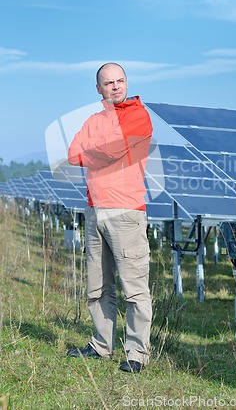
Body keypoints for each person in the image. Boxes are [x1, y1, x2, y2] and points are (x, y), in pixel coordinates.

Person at [66, 62, 153, 373]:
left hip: (126, 210)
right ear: (98, 89)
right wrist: (97, 151)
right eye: (108, 83)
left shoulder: (138, 115)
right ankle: (101, 345)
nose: (115, 86)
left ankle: (136, 354)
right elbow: (74, 153)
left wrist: (96, 152)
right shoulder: (93, 120)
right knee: (98, 286)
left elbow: (113, 150)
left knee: (134, 287)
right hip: (95, 209)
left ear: (126, 83)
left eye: (120, 81)